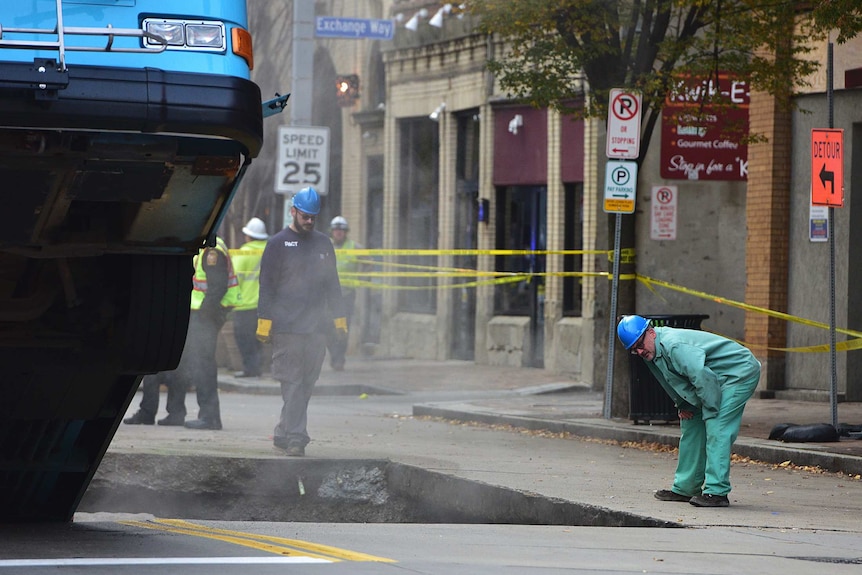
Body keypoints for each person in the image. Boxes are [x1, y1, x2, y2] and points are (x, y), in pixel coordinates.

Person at [617, 315, 761, 507]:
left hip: (738, 372)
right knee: (691, 424)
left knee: (717, 427)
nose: (639, 351)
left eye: (640, 344)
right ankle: (686, 488)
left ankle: (716, 492)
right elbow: (668, 379)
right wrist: (682, 405)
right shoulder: (650, 349)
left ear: (651, 332)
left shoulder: (674, 345)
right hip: (711, 377)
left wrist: (710, 410)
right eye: (634, 349)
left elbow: (702, 376)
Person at [256, 187, 347, 457]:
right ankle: (297, 437)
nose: (309, 221)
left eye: (313, 217)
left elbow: (333, 284)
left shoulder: (322, 243)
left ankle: (284, 430)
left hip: (317, 328)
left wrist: (339, 318)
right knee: (292, 383)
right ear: (293, 211)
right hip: (287, 327)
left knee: (306, 384)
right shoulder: (277, 244)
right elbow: (266, 286)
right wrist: (264, 320)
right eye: (305, 216)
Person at [124, 236, 240, 429]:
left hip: (203, 316)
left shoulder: (212, 249)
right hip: (195, 314)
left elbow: (217, 287)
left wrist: (202, 317)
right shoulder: (201, 245)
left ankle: (209, 417)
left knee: (202, 366)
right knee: (181, 364)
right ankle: (174, 413)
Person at [231, 217, 269, 378]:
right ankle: (260, 367)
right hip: (265, 305)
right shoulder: (270, 251)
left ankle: (251, 369)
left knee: (245, 340)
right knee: (260, 338)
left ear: (248, 236)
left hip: (244, 304)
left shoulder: (243, 253)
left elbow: (233, 278)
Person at [326, 215, 362, 371]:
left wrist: (360, 279)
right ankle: (334, 354)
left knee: (342, 327)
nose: (338, 233)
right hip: (327, 296)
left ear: (346, 232)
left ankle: (339, 358)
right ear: (332, 232)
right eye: (336, 230)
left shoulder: (355, 247)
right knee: (327, 327)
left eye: (341, 231)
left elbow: (369, 262)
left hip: (346, 295)